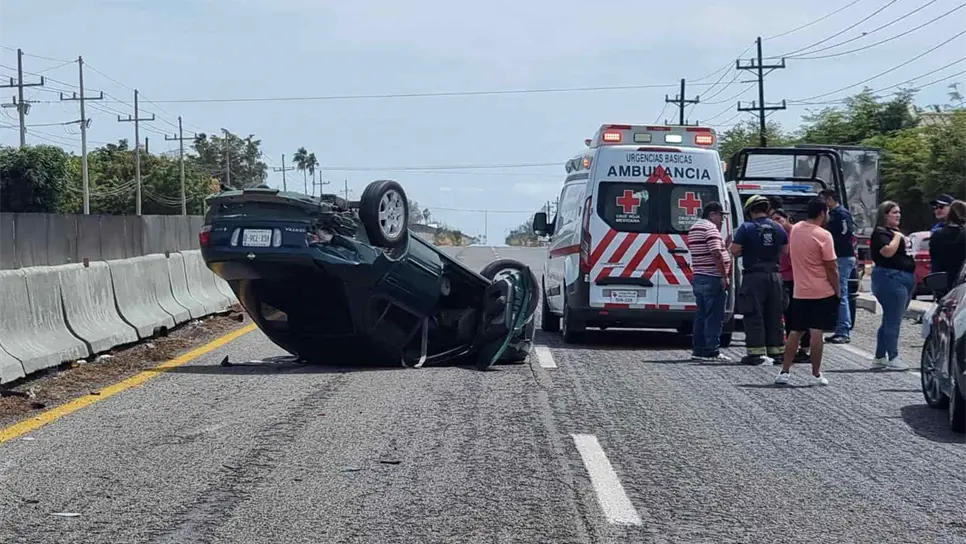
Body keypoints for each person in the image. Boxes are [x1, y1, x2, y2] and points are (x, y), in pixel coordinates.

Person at [775, 198, 838, 386]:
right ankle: (816, 374)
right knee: (817, 333)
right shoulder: (823, 235)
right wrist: (838, 290)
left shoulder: (796, 230)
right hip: (821, 291)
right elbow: (831, 267)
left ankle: (784, 371)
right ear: (822, 213)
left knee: (795, 331)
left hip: (800, 290)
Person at [730, 194, 788, 365]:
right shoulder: (778, 228)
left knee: (754, 313)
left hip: (754, 276)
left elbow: (734, 250)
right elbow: (785, 251)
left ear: (749, 211)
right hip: (775, 276)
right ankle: (777, 353)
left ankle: (756, 354)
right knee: (775, 314)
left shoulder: (746, 228)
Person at [869, 201, 915, 370]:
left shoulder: (896, 232)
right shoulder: (881, 233)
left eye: (899, 212)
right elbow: (887, 252)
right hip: (890, 277)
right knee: (893, 320)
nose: (898, 215)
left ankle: (880, 356)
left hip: (905, 277)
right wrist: (897, 237)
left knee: (890, 318)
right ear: (885, 214)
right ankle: (893, 356)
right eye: (894, 212)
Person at [687, 201, 732, 362]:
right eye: (721, 215)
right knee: (714, 316)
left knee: (701, 315)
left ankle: (698, 350)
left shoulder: (695, 228)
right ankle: (711, 351)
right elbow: (716, 254)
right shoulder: (710, 228)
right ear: (713, 214)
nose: (721, 220)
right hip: (712, 277)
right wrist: (723, 276)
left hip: (699, 276)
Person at [770, 207, 811, 363]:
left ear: (787, 218)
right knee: (788, 315)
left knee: (801, 315)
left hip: (798, 279)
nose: (776, 222)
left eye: (779, 219)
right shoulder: (777, 234)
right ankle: (792, 348)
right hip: (784, 278)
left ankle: (805, 349)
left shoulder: (796, 233)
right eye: (773, 220)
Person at [819, 189, 856, 345]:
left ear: (830, 199)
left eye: (823, 200)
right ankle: (839, 328)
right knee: (839, 292)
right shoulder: (836, 214)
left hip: (842, 257)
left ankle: (843, 331)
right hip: (839, 256)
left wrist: (829, 242)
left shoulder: (841, 214)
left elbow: (845, 233)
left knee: (841, 293)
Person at [928, 200, 966, 296]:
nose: (937, 210)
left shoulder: (937, 234)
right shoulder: (962, 235)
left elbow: (935, 263)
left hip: (944, 285)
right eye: (935, 208)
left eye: (941, 207)